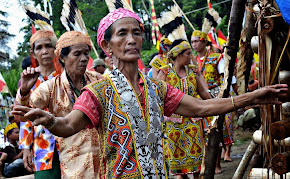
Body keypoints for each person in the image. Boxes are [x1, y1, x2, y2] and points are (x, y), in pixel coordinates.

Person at [12, 8, 288, 178]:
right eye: (122, 34)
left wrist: (252, 97)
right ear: (107, 46)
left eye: (136, 33)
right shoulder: (98, 91)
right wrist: (48, 120)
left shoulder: (156, 89)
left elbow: (202, 108)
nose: (132, 39)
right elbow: (68, 125)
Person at [16, 31, 102, 178]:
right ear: (62, 57)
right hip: (53, 151)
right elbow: (22, 115)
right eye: (77, 54)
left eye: (86, 53)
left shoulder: (99, 81)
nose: (83, 59)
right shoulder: (44, 85)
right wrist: (24, 91)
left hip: (102, 156)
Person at [157, 39, 211, 178]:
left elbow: (203, 93)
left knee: (197, 165)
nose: (191, 56)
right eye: (188, 53)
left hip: (193, 125)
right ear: (178, 54)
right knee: (178, 170)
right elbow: (157, 97)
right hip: (173, 126)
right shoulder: (165, 72)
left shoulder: (192, 71)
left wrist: (217, 105)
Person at [16, 29, 61, 179]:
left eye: (49, 46)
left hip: (70, 143)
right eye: (39, 48)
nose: (45, 51)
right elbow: (25, 117)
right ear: (33, 53)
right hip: (42, 146)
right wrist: (26, 147)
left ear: (56, 49)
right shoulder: (29, 79)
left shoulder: (66, 76)